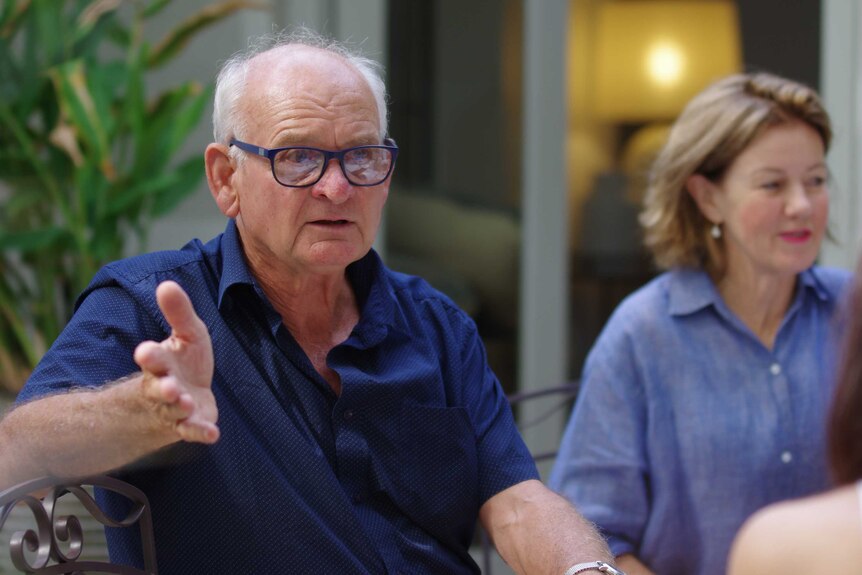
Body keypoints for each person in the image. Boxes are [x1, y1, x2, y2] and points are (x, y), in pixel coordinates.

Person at [0, 29, 619, 575]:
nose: (336, 187)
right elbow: (16, 453)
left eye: (361, 156)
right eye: (298, 157)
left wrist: (589, 570)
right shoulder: (150, 304)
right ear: (225, 179)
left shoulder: (435, 323)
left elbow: (515, 500)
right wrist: (144, 410)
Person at [548, 71, 851, 575]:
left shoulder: (852, 311)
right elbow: (593, 541)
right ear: (707, 197)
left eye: (815, 181)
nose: (802, 205)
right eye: (773, 184)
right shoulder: (641, 334)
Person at [726, 256, 862, 574]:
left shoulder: (842, 295)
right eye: (773, 200)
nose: (799, 206)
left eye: (816, 199)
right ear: (708, 204)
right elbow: (610, 525)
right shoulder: (638, 332)